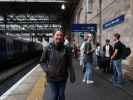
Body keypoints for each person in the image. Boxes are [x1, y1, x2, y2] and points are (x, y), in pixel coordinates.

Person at [40, 31, 75, 100]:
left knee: (61, 94)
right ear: (53, 36)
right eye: (57, 35)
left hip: (63, 77)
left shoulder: (67, 49)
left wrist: (72, 74)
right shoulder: (47, 48)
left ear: (63, 38)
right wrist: (47, 70)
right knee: (54, 95)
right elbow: (42, 62)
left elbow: (69, 63)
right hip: (51, 77)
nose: (59, 37)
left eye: (61, 35)